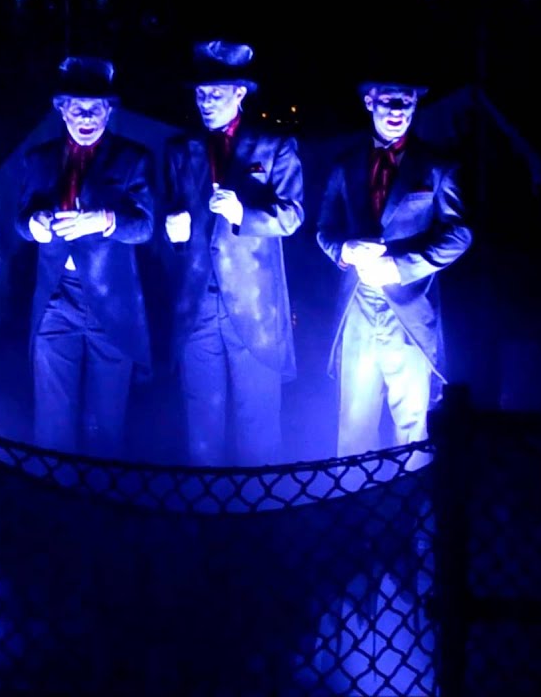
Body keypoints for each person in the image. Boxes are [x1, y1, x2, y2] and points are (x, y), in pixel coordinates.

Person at [316, 70, 472, 469]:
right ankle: (354, 501)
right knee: (354, 422)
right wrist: (344, 250)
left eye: (407, 101)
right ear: (369, 102)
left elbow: (459, 235)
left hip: (411, 312)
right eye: (389, 100)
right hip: (356, 308)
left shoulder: (437, 166)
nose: (398, 110)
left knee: (412, 423)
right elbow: (325, 230)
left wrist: (401, 268)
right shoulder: (344, 165)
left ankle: (414, 506)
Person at [162, 40, 304, 467]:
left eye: (215, 93)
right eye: (200, 93)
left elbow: (292, 216)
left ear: (240, 93)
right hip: (196, 307)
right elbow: (167, 224)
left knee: (257, 425)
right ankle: (208, 503)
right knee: (201, 425)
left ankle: (257, 504)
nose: (205, 101)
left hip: (255, 308)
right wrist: (172, 233)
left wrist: (244, 213)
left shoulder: (274, 146)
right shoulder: (180, 149)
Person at [17, 56, 154, 457]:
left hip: (113, 303)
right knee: (52, 422)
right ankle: (53, 491)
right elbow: (21, 220)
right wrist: (35, 224)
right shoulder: (39, 159)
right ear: (62, 110)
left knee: (105, 425)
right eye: (78, 108)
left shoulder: (133, 158)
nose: (87, 117)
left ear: (109, 111)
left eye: (96, 108)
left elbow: (145, 226)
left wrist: (105, 220)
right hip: (56, 299)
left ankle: (100, 490)